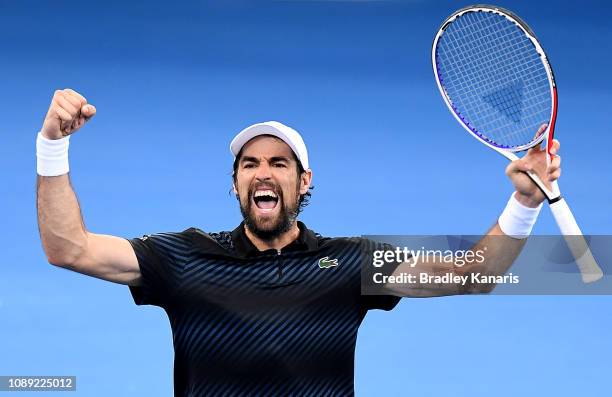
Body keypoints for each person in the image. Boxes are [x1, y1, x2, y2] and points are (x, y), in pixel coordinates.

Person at [36, 89, 561, 396]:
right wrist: (52, 145)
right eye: (250, 164)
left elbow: (473, 276)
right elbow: (70, 248)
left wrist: (525, 202)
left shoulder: (353, 262)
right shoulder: (184, 256)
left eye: (278, 163)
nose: (263, 173)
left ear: (303, 181)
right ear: (237, 181)